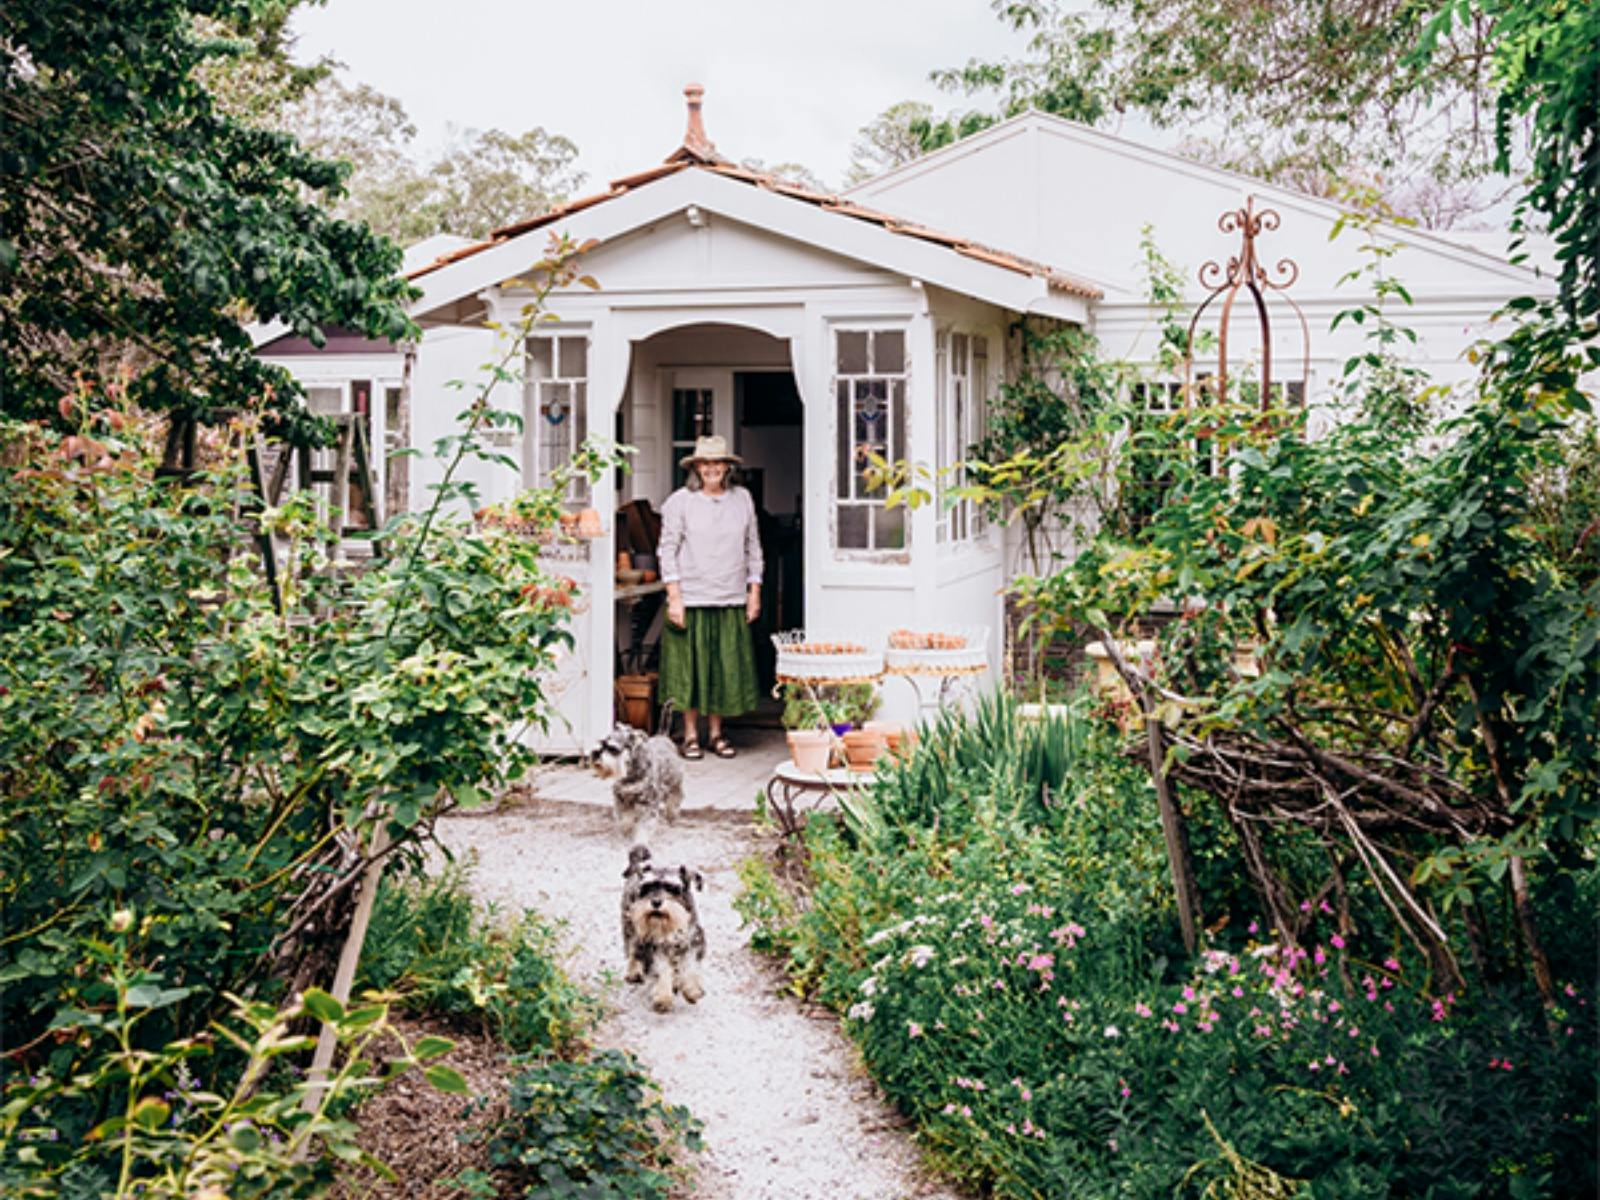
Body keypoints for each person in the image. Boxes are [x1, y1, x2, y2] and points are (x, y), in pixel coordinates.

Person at [657, 435, 762, 759]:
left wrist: (753, 591)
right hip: (692, 597)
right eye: (705, 463)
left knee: (720, 666)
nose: (712, 469)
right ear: (696, 467)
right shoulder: (680, 502)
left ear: (727, 467)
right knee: (690, 668)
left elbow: (753, 547)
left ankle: (716, 734)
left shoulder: (742, 499)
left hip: (729, 596)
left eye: (718, 463)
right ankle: (690, 735)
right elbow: (667, 550)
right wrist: (674, 596)